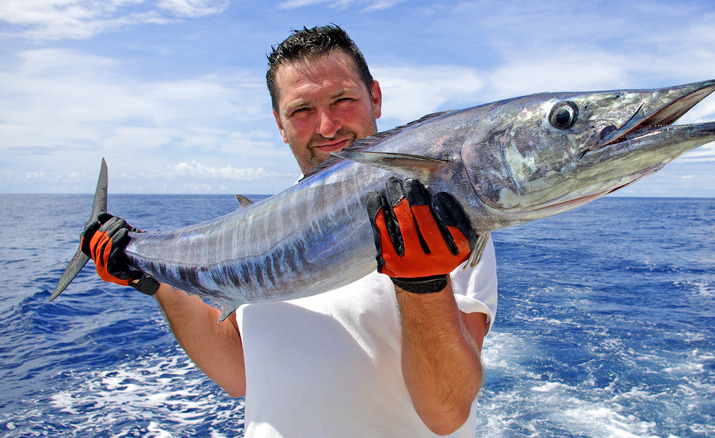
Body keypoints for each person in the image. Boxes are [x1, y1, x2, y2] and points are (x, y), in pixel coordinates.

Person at [80, 25, 498, 437]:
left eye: (343, 100)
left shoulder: (444, 221)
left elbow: (446, 414)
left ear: (375, 97)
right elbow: (237, 374)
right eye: (301, 110)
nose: (328, 126)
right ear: (280, 125)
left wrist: (423, 285)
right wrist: (153, 279)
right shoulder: (258, 230)